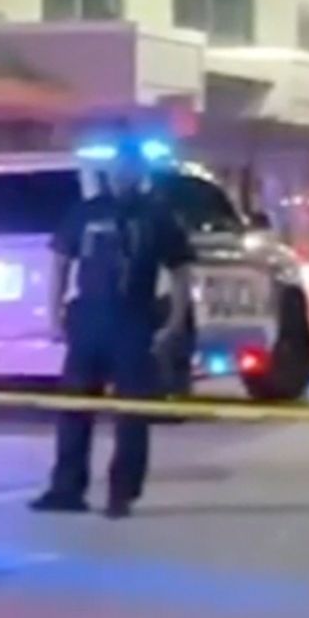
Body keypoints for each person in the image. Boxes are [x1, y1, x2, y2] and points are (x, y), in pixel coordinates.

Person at [37, 149, 189, 518]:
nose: (124, 175)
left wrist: (174, 321)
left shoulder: (158, 216)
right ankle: (66, 490)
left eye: (131, 170)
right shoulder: (86, 212)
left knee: (132, 413)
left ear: (140, 174)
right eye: (120, 169)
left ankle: (122, 493)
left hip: (133, 321)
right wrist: (53, 313)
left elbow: (181, 271)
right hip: (88, 319)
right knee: (74, 408)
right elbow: (60, 262)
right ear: (110, 172)